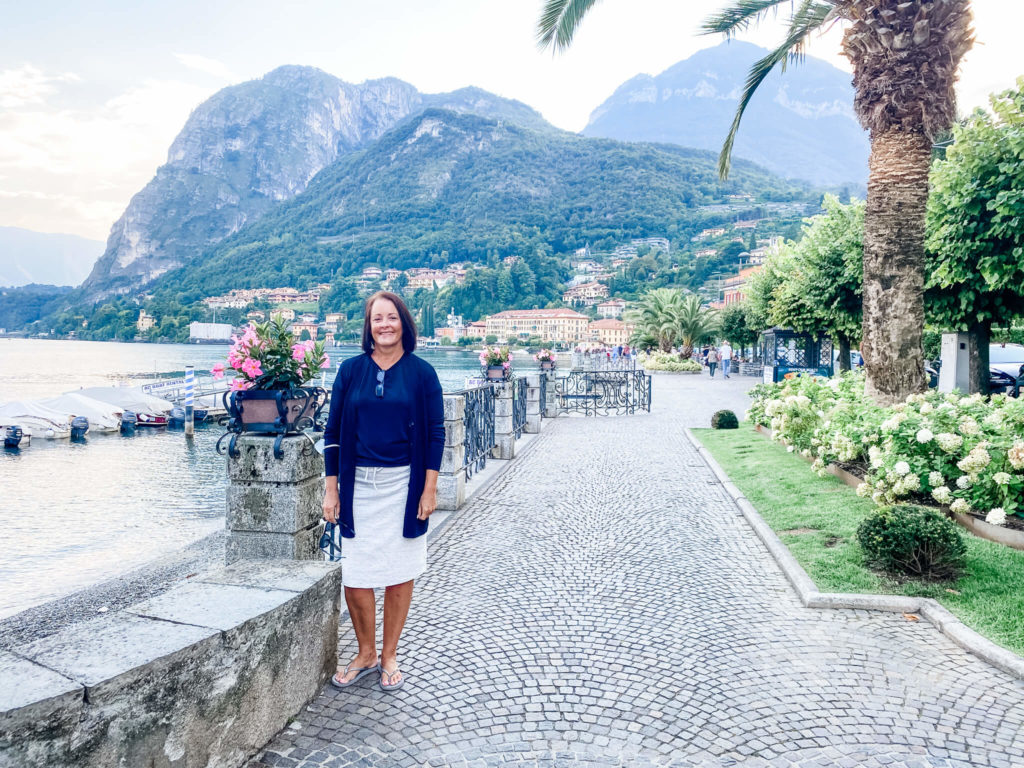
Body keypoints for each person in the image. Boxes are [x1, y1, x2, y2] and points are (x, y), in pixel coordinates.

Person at [322, 290, 445, 693]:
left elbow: (434, 434)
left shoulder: (422, 373)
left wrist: (430, 490)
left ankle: (389, 653)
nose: (385, 325)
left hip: (404, 488)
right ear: (368, 326)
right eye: (378, 318)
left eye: (392, 317)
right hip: (358, 488)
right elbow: (333, 432)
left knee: (399, 573)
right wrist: (331, 490)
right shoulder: (350, 370)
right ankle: (365, 652)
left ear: (404, 323)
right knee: (355, 575)